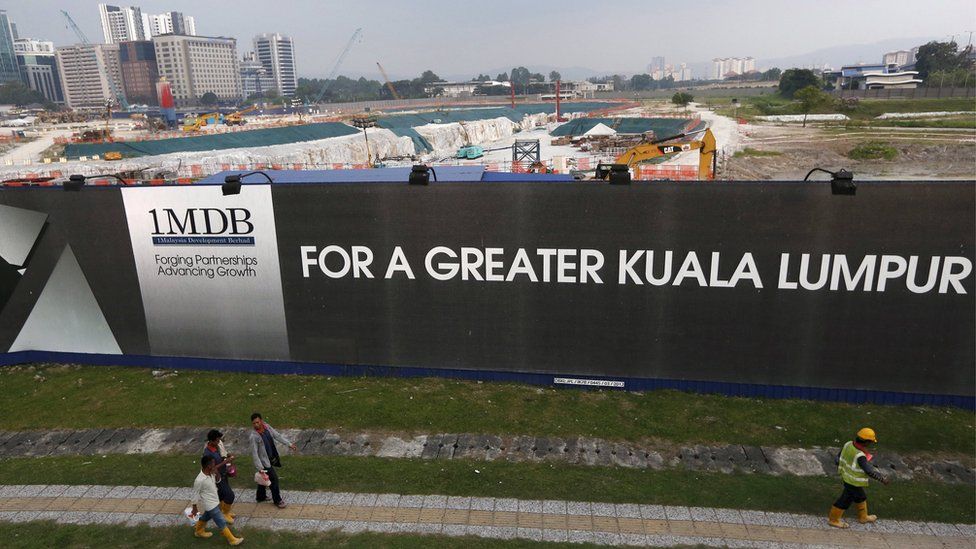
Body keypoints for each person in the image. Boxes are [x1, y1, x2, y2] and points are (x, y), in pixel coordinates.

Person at [828, 427, 890, 528]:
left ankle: (863, 517)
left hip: (846, 477)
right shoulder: (860, 455)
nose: (870, 444)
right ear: (866, 442)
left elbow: (838, 458)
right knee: (845, 500)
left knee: (860, 497)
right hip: (853, 481)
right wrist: (882, 479)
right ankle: (833, 520)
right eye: (870, 442)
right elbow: (869, 471)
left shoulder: (848, 444)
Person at [190, 454, 244, 545]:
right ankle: (232, 540)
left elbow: (218, 481)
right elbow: (194, 494)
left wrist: (217, 473)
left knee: (205, 517)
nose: (215, 465)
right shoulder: (199, 480)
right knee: (221, 522)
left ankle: (198, 531)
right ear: (208, 466)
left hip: (215, 501)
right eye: (213, 464)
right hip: (210, 505)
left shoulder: (211, 473)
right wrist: (194, 508)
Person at [249, 412, 298, 508]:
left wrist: (289, 444)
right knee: (274, 480)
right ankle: (277, 500)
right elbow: (255, 454)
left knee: (263, 478)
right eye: (254, 423)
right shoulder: (253, 437)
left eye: (257, 422)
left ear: (261, 421)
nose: (256, 425)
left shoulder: (267, 427)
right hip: (264, 463)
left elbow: (277, 435)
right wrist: (260, 468)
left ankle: (260, 496)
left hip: (271, 457)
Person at [203, 429, 237, 524]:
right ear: (211, 441)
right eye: (217, 440)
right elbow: (211, 468)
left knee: (222, 495)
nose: (219, 442)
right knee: (230, 495)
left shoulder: (216, 447)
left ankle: (223, 511)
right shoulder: (207, 453)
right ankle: (225, 513)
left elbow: (221, 456)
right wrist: (225, 462)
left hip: (223, 474)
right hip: (217, 478)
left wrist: (227, 456)